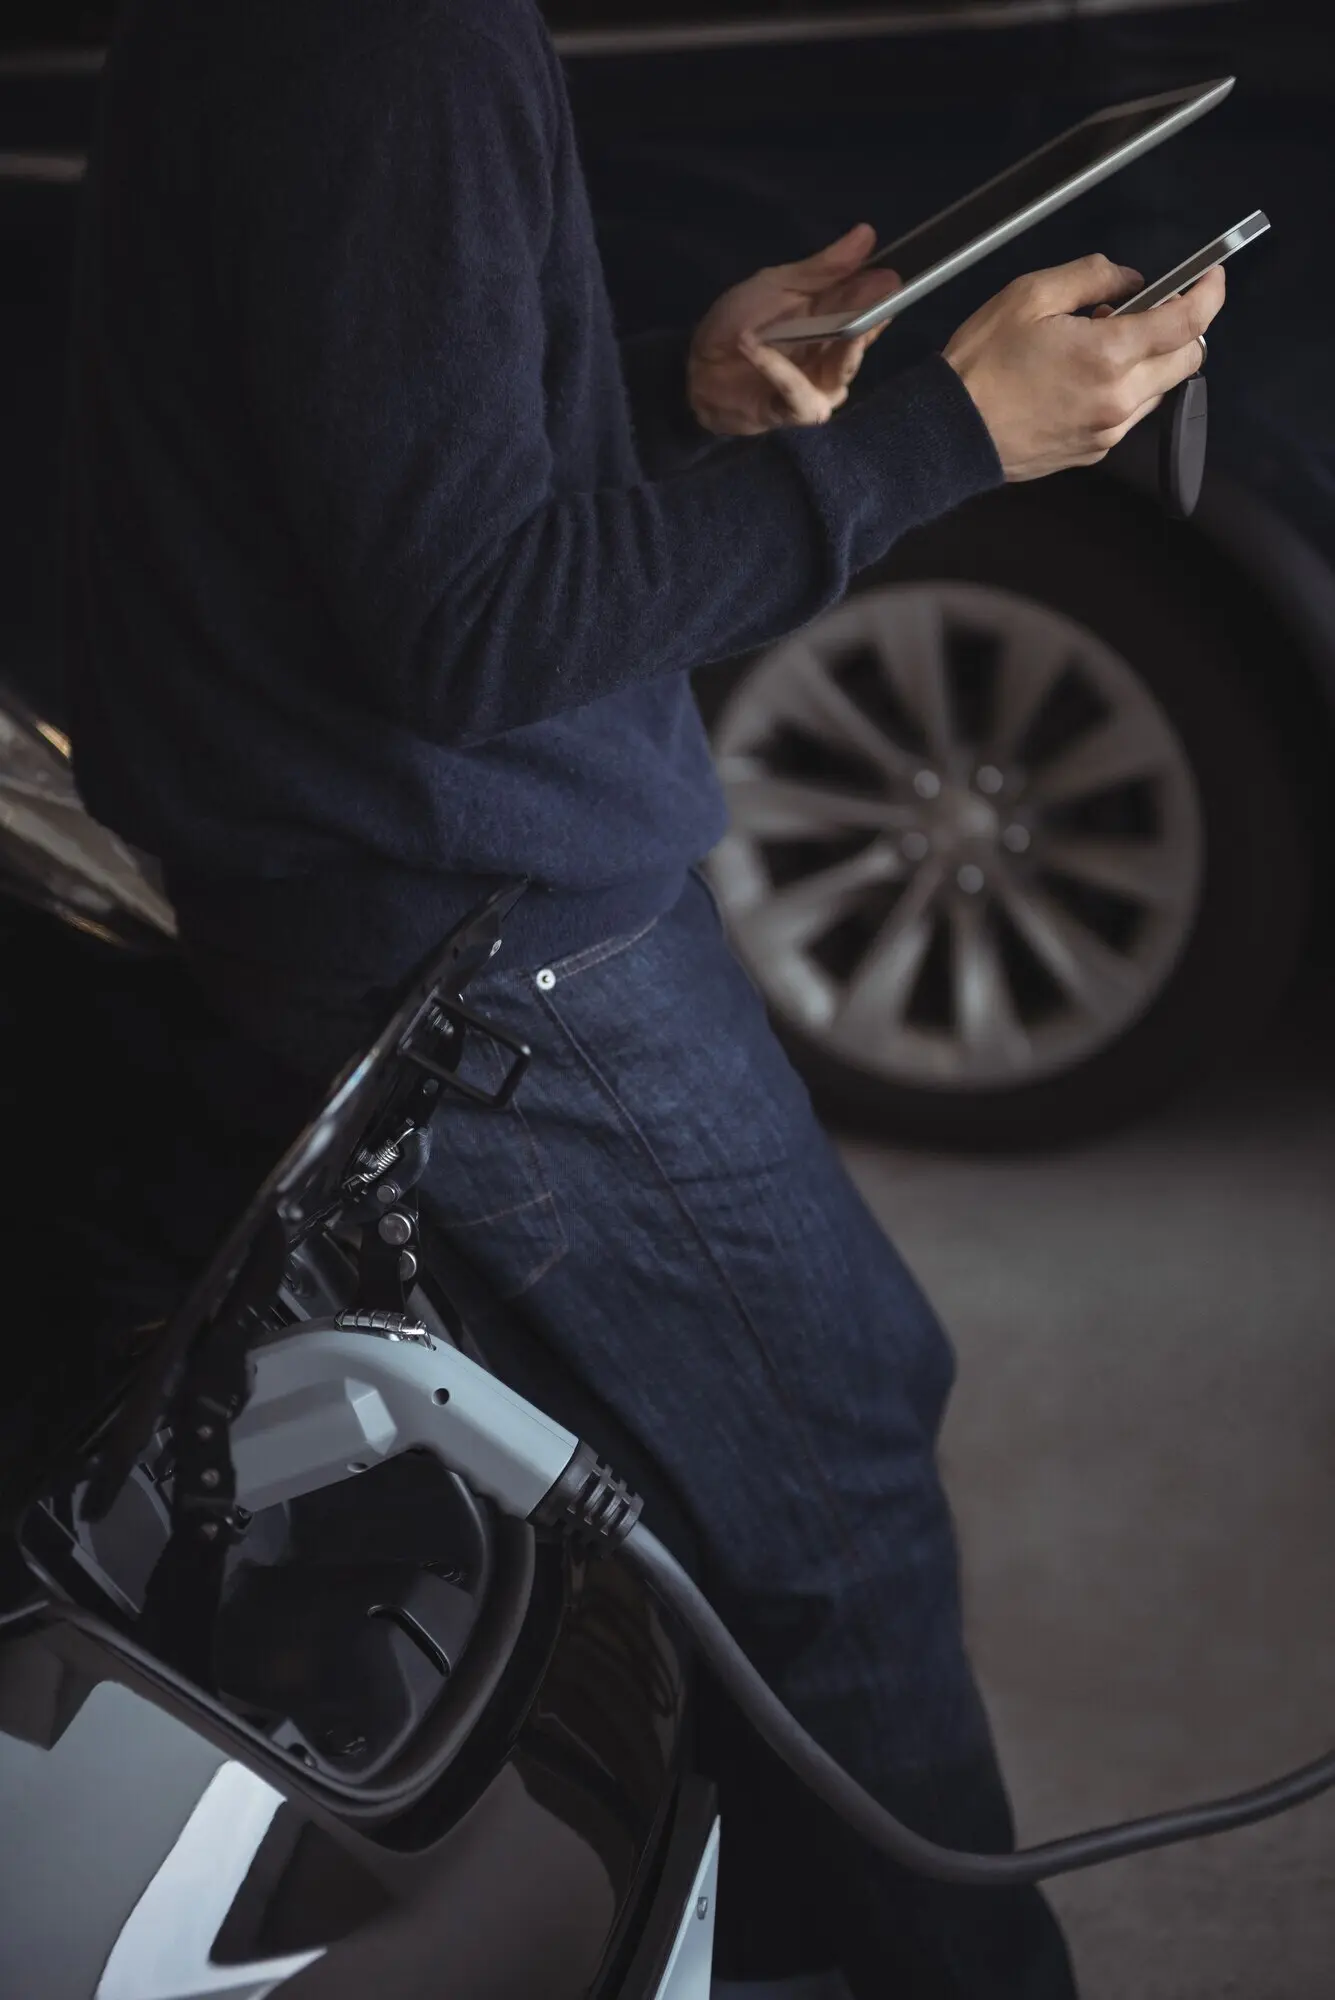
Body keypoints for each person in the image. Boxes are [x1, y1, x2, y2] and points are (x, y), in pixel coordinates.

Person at [63, 2, 1223, 1995]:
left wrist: (672, 391)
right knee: (828, 1514)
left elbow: (373, 468)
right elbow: (468, 624)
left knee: (680, 1514)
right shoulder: (389, 47)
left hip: (406, 900)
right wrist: (944, 439)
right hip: (493, 938)